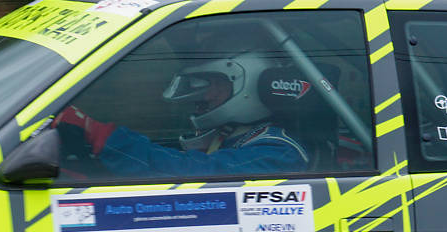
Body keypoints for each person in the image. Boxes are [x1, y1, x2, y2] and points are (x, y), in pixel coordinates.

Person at [54, 49, 312, 179]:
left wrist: (101, 136)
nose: (205, 96)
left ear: (248, 86)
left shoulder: (278, 152)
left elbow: (194, 174)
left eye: (214, 85)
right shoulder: (227, 135)